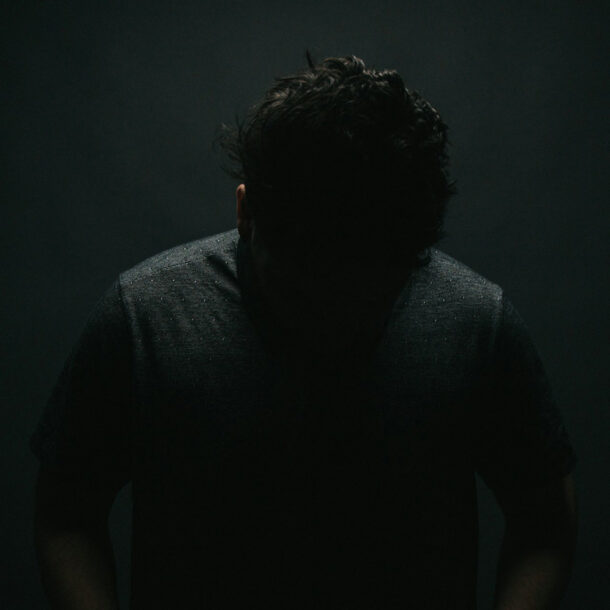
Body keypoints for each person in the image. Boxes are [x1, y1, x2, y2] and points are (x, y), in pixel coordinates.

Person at [30, 52, 579, 609]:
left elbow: (545, 524)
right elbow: (66, 513)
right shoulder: (145, 318)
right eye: (302, 286)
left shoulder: (477, 325)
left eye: (367, 293)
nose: (330, 320)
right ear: (246, 212)